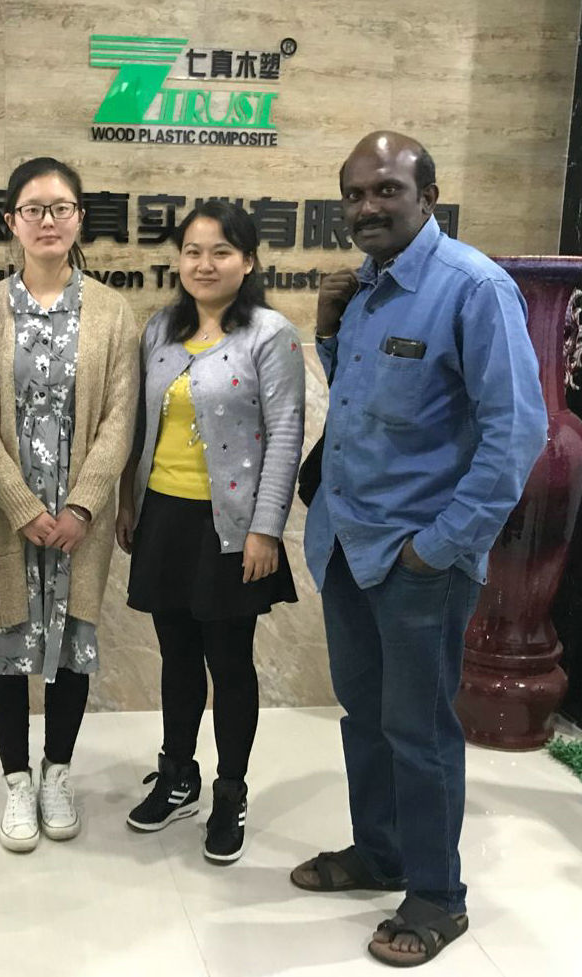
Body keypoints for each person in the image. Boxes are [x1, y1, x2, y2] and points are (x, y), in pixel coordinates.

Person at [292, 131, 548, 967]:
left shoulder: (474, 288)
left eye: (386, 190)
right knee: (365, 716)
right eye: (354, 194)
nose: (367, 206)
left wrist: (440, 547)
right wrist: (328, 334)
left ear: (428, 197)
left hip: (417, 561)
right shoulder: (364, 288)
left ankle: (438, 895)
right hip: (346, 545)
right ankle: (381, 852)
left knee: (420, 728)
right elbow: (365, 406)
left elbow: (517, 435)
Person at [0, 157, 139, 852]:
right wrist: (19, 503)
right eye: (33, 209)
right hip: (8, 517)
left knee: (72, 646)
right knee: (4, 646)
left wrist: (84, 506)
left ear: (80, 218)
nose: (48, 221)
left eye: (61, 207)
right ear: (11, 221)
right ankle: (16, 782)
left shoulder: (113, 313)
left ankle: (57, 774)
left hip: (76, 525)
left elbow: (122, 417)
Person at [116, 200, 305, 863]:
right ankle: (178, 775)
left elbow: (286, 435)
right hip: (165, 516)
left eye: (221, 251)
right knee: (175, 657)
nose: (204, 264)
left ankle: (230, 791)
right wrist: (128, 501)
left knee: (229, 661)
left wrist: (266, 529)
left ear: (248, 261)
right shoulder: (160, 330)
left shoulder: (270, 334)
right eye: (193, 251)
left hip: (231, 527)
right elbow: (141, 425)